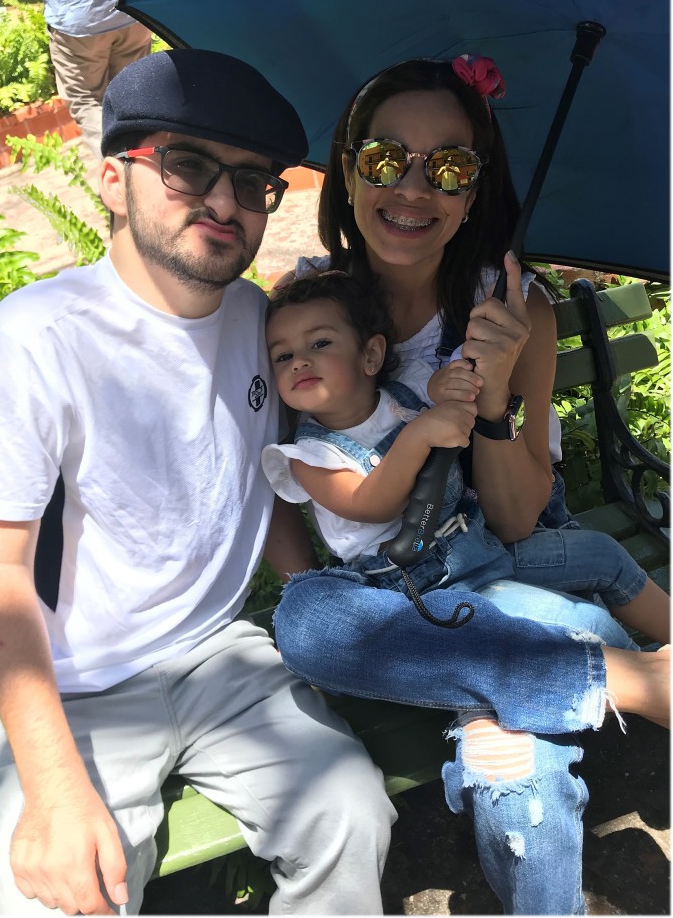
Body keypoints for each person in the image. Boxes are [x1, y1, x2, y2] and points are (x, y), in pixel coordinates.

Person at [0, 47, 398, 916]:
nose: (225, 201)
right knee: (66, 894)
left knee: (351, 812)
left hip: (219, 655)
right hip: (73, 684)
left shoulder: (258, 320)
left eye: (252, 180)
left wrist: (318, 597)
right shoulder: (35, 341)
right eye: (188, 166)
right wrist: (50, 788)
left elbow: (260, 478)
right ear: (114, 177)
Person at [270, 55, 671, 913]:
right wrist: (370, 612)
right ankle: (622, 673)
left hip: (501, 552)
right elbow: (280, 483)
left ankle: (539, 684)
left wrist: (492, 398)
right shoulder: (307, 308)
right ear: (347, 170)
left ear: (474, 188)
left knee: (514, 762)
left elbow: (521, 519)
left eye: (448, 166)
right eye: (386, 159)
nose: (414, 187)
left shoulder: (513, 310)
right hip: (395, 589)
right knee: (308, 615)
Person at [263, 270, 670, 645]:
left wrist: (460, 377)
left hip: (476, 544)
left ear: (370, 356)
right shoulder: (308, 455)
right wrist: (419, 435)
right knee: (578, 624)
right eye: (283, 356)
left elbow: (443, 387)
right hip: (418, 586)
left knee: (602, 553)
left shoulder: (402, 390)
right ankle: (650, 692)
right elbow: (368, 503)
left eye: (320, 343)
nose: (299, 360)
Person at [4, 0, 153, 157]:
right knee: (134, 92)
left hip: (77, 19)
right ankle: (149, 165)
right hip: (132, 10)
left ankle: (123, 176)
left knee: (87, 101)